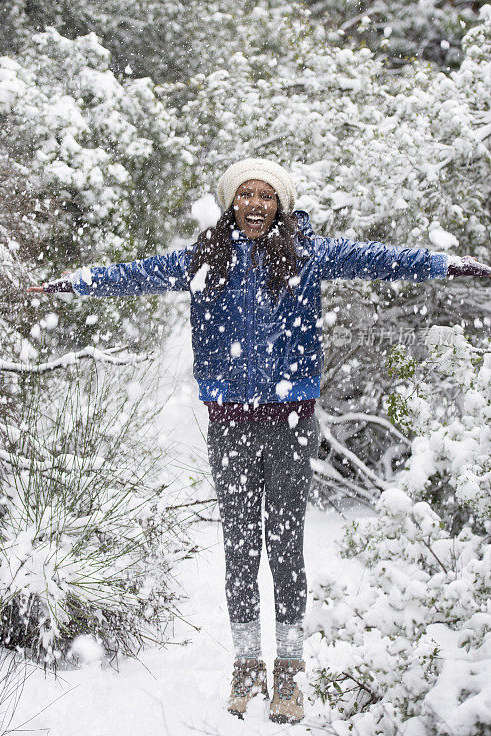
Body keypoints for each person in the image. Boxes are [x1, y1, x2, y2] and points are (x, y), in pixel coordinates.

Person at [27, 157, 491, 724]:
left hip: (291, 422)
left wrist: (446, 265)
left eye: (265, 196)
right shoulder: (202, 260)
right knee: (241, 546)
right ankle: (247, 664)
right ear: (231, 203)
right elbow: (136, 273)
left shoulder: (308, 254)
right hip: (229, 423)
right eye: (244, 194)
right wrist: (74, 283)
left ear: (281, 205)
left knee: (285, 544)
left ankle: (290, 671)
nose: (254, 204)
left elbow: (381, 258)